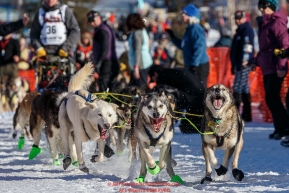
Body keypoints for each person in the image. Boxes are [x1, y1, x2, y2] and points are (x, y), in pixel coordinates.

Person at [151, 4, 210, 133]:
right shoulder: (189, 29)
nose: (182, 16)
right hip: (192, 65)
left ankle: (200, 122)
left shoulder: (196, 28)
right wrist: (172, 36)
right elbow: (184, 45)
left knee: (199, 94)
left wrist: (194, 65)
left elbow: (199, 48)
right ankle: (192, 121)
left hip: (199, 65)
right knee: (193, 93)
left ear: (191, 16)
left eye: (184, 14)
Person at [254, 0, 289, 140]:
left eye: (264, 6)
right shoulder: (264, 24)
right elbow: (264, 48)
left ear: (271, 7)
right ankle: (279, 128)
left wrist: (281, 65)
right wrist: (255, 61)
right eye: (260, 6)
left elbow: (285, 45)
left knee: (272, 98)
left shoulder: (276, 23)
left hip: (276, 67)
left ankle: (285, 128)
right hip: (267, 66)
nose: (261, 9)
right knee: (270, 99)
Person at [30, 0, 80, 79]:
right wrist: (38, 48)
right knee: (43, 81)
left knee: (67, 80)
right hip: (45, 54)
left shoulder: (64, 10)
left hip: (62, 52)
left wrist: (66, 47)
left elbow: (75, 31)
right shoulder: (40, 13)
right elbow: (33, 34)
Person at [230, 10, 255, 122]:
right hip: (238, 63)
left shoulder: (246, 29)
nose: (237, 20)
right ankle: (246, 114)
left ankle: (235, 114)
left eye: (239, 18)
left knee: (237, 87)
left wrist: (244, 60)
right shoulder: (239, 30)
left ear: (245, 18)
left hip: (244, 63)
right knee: (244, 87)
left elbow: (247, 45)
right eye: (236, 18)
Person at [87, 10, 119, 92]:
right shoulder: (104, 27)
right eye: (90, 22)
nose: (92, 24)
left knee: (105, 88)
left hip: (107, 63)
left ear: (98, 18)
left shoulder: (102, 31)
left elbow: (105, 48)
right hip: (111, 62)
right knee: (109, 87)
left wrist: (99, 62)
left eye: (93, 21)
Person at [126, 13, 153, 87]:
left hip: (141, 65)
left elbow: (138, 50)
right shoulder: (142, 30)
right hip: (144, 63)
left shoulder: (137, 33)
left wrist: (136, 67)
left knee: (140, 88)